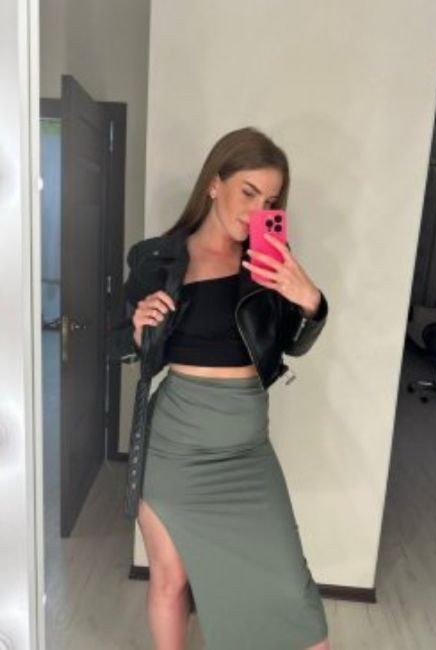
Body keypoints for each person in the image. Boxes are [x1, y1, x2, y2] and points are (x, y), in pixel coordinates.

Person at [111, 127, 330, 649]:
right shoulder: (157, 260)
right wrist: (139, 330)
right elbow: (120, 345)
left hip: (247, 449)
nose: (256, 210)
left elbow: (292, 345)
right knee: (171, 580)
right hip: (175, 448)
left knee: (290, 589)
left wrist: (311, 303)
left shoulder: (269, 263)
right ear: (214, 184)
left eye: (270, 201)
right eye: (248, 192)